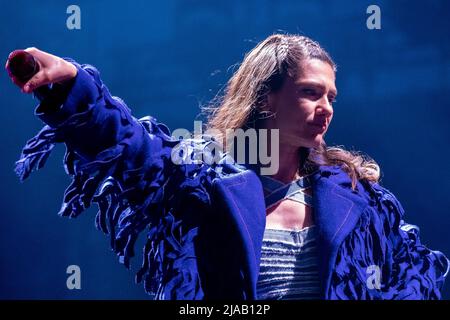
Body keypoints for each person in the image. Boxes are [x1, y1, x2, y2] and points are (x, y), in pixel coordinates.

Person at [6, 34, 449, 300]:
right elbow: (132, 146)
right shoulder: (205, 180)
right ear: (267, 98)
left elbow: (414, 274)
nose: (326, 107)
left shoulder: (359, 197)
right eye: (312, 93)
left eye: (332, 97)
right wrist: (72, 83)